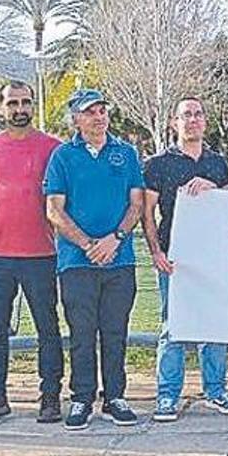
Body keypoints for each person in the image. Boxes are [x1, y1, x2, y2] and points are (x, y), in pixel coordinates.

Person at [43, 89, 145, 431]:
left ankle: (115, 396)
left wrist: (114, 239)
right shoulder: (62, 156)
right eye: (90, 112)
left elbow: (137, 204)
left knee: (115, 333)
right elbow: (54, 210)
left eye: (102, 110)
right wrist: (89, 244)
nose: (99, 117)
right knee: (82, 333)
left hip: (119, 259)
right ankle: (82, 397)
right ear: (76, 118)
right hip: (77, 261)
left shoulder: (126, 153)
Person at [0, 81, 64, 425]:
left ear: (32, 106)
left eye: (25, 103)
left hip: (41, 253)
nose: (19, 109)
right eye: (12, 103)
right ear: (0, 108)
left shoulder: (54, 148)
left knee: (47, 328)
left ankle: (50, 396)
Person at [142, 97, 228, 422]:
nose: (194, 120)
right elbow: (147, 213)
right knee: (173, 325)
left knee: (213, 324)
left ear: (205, 121)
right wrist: (156, 251)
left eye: (199, 114)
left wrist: (214, 187)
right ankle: (167, 395)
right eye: (187, 115)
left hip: (213, 257)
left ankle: (215, 391)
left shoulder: (217, 163)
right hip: (175, 256)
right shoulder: (158, 164)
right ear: (175, 122)